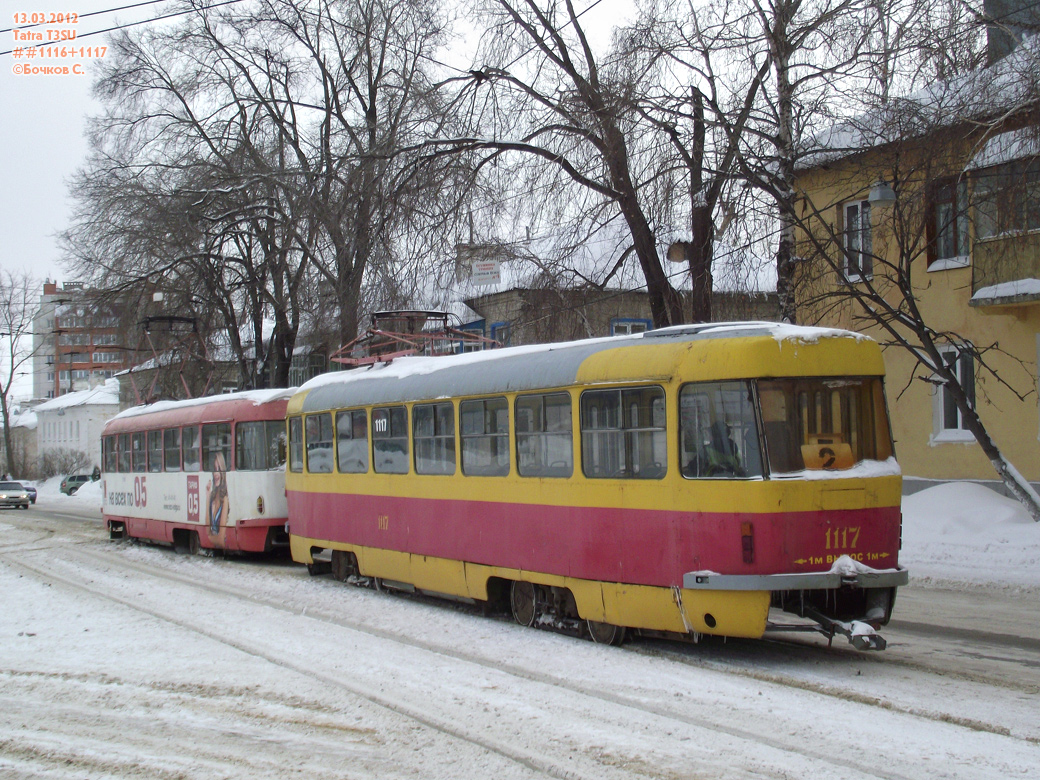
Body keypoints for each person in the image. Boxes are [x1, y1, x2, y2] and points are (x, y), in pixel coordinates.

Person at [206, 452, 230, 536]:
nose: (216, 473)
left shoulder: (225, 500)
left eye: (219, 469)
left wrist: (209, 537)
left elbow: (220, 539)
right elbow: (207, 531)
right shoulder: (212, 496)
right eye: (214, 469)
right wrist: (208, 495)